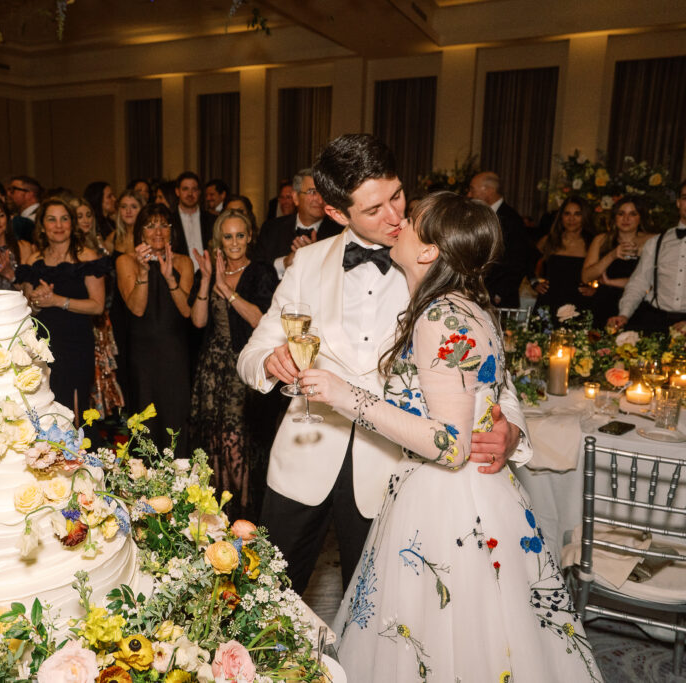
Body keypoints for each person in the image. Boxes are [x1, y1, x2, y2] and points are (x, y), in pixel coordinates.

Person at [298, 192, 599, 682]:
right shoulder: (468, 305)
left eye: (413, 217)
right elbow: (483, 397)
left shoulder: (441, 316)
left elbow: (452, 445)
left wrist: (342, 395)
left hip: (448, 504)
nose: (401, 220)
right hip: (471, 494)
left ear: (429, 251)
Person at [237, 134, 529, 595]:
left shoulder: (440, 260)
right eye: (374, 210)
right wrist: (269, 363)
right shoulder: (308, 264)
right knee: (266, 596)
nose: (396, 218)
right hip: (303, 458)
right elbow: (251, 354)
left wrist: (510, 425)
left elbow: (488, 366)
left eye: (397, 197)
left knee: (379, 610)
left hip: (394, 470)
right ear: (336, 213)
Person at [188, 209, 278, 520]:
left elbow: (262, 320)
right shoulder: (211, 272)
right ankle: (215, 518)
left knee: (237, 443)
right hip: (212, 371)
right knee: (213, 443)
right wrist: (207, 281)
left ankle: (243, 517)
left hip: (244, 368)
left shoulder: (262, 273)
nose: (235, 242)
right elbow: (198, 321)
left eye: (240, 235)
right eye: (228, 237)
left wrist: (227, 291)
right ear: (219, 241)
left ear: (250, 236)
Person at [15, 199, 106, 413]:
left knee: (75, 407)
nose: (59, 225)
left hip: (76, 343)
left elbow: (97, 306)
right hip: (42, 344)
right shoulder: (33, 260)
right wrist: (38, 301)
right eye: (52, 219)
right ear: (42, 226)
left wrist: (57, 300)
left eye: (64, 219)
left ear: (72, 224)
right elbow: (29, 307)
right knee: (46, 405)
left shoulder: (87, 257)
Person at [117, 204, 194, 456]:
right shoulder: (125, 261)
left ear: (173, 230)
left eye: (164, 224)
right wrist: (143, 271)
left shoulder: (184, 262)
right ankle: (144, 488)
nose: (158, 231)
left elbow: (186, 311)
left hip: (175, 352)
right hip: (142, 355)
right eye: (150, 225)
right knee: (145, 423)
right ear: (140, 232)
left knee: (175, 417)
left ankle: (180, 485)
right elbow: (137, 309)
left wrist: (169, 276)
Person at [608, 179, 686, 332]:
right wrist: (624, 314)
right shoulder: (657, 242)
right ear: (678, 203)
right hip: (656, 322)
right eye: (685, 198)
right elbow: (638, 283)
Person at [70, 197, 124, 417]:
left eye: (88, 215)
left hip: (104, 316)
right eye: (79, 216)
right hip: (85, 317)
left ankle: (102, 423)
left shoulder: (103, 243)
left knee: (103, 373)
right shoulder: (74, 251)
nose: (85, 220)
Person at [256, 168, 344, 277]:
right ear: (295, 197)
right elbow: (255, 272)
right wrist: (285, 263)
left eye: (323, 193)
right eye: (312, 192)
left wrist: (315, 258)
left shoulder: (339, 233)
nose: (320, 200)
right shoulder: (271, 229)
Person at [582, 196, 656, 325]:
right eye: (621, 214)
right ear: (614, 217)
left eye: (632, 214)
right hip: (604, 303)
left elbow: (652, 282)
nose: (626, 219)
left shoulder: (652, 241)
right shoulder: (601, 240)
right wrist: (611, 255)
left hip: (638, 305)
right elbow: (586, 277)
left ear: (640, 218)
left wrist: (612, 282)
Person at [466, 171, 533, 307]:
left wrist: (499, 294)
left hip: (498, 299)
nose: (469, 195)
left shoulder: (511, 219)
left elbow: (518, 261)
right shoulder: (476, 216)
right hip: (477, 294)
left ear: (489, 190)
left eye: (473, 189)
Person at [531, 196, 596, 321]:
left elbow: (607, 271)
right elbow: (526, 262)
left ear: (585, 216)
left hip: (580, 303)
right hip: (549, 301)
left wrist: (595, 290)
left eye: (577, 214)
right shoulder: (549, 240)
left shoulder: (593, 243)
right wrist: (534, 283)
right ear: (561, 216)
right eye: (567, 214)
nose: (571, 219)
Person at [171, 172, 214, 269]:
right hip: (179, 277)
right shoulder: (169, 220)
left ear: (199, 192)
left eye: (194, 189)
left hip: (208, 276)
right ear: (177, 192)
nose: (190, 194)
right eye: (185, 189)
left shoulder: (212, 220)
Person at [112, 188, 142, 255]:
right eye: (124, 207)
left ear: (142, 209)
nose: (128, 211)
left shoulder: (148, 236)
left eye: (134, 207)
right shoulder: (115, 236)